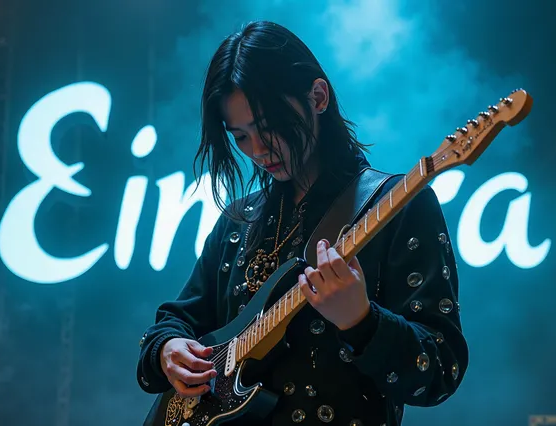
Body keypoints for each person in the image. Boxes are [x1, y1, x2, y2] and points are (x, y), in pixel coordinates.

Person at [137, 20, 468, 426]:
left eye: (268, 127)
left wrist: (362, 322)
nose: (257, 150)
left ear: (318, 96)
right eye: (239, 136)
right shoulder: (239, 221)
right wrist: (167, 348)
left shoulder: (399, 205)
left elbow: (441, 370)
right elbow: (177, 318)